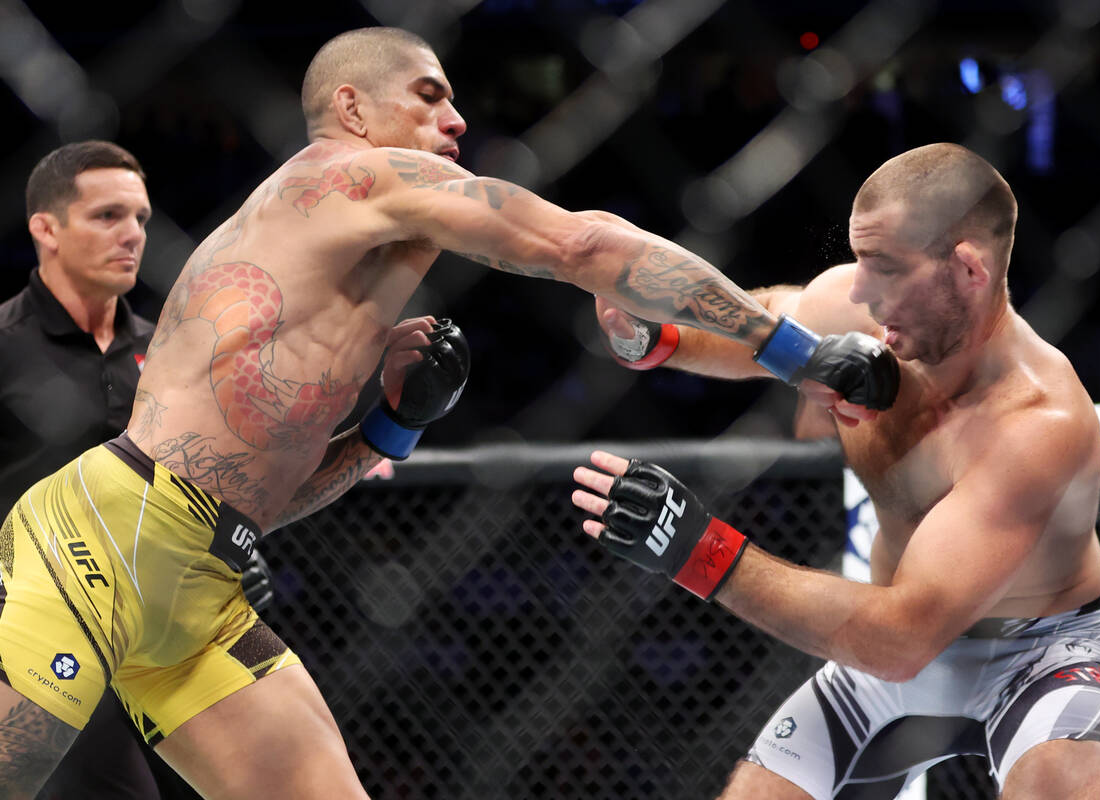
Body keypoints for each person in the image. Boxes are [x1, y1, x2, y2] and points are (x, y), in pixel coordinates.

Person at [0, 27, 895, 799]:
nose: (456, 122)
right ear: (353, 110)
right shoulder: (353, 179)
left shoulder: (343, 266)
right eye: (429, 98)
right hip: (105, 542)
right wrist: (795, 350)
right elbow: (578, 243)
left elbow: (265, 502)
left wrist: (392, 425)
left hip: (202, 585)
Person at [574, 143, 1100, 799]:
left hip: (1038, 655)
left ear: (969, 271)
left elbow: (901, 637)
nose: (859, 288)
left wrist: (697, 547)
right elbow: (755, 326)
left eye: (886, 268)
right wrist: (649, 336)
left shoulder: (1037, 423)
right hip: (887, 665)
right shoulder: (861, 309)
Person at [0, 141, 276, 800]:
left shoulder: (170, 353)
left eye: (142, 219)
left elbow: (211, 488)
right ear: (46, 228)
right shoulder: (3, 347)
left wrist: (233, 549)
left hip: (163, 631)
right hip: (37, 629)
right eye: (107, 216)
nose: (132, 235)